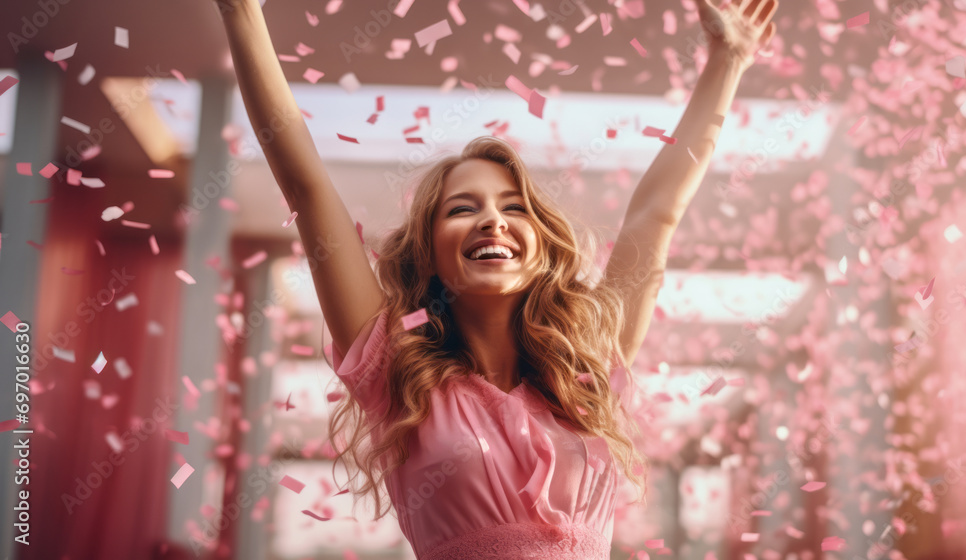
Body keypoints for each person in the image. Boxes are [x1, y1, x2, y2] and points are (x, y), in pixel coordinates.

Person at [211, 0, 777, 557]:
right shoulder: (399, 375)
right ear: (429, 254)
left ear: (540, 247)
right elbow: (307, 188)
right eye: (462, 209)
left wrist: (727, 61)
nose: (492, 220)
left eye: (514, 207)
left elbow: (656, 214)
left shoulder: (588, 362)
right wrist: (242, 10)